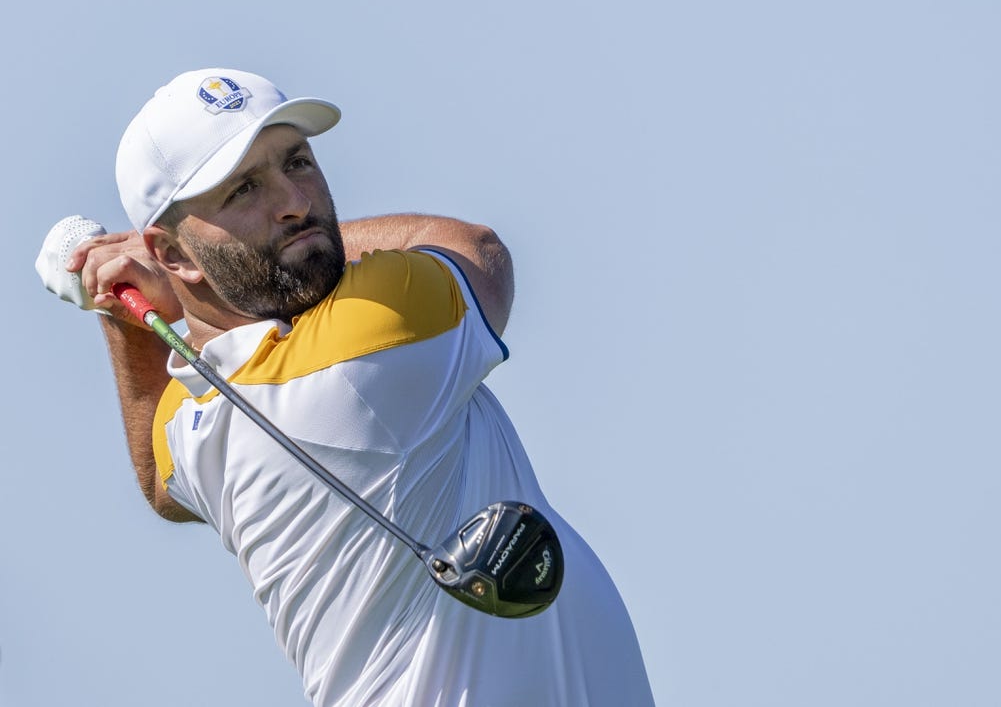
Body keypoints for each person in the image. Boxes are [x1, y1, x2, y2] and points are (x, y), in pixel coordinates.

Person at [36, 68, 655, 707]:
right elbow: (475, 249)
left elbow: (161, 481)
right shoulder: (374, 335)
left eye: (297, 161)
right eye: (245, 189)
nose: (294, 202)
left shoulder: (197, 421)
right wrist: (193, 273)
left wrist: (130, 314)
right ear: (174, 255)